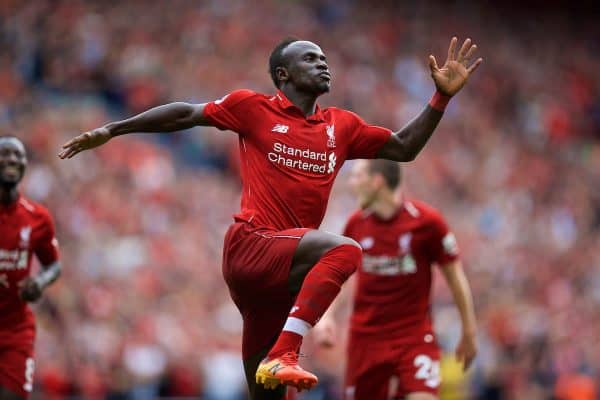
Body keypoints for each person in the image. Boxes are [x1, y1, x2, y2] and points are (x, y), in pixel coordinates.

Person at [58, 36, 482, 398]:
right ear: (283, 74)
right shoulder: (253, 108)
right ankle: (286, 350)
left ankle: (279, 355)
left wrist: (440, 97)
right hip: (252, 246)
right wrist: (114, 130)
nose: (323, 63)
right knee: (346, 251)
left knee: (267, 394)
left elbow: (404, 147)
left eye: (324, 58)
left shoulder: (342, 126)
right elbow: (186, 113)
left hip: (283, 278)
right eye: (311, 58)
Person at [314, 159, 477, 400]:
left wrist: (469, 330)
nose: (352, 184)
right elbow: (343, 277)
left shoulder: (427, 223)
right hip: (366, 339)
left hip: (414, 337)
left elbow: (455, 277)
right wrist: (326, 317)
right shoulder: (356, 225)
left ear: (377, 182)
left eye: (357, 177)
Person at [0, 136, 62, 400]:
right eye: (6, 154)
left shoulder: (37, 217)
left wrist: (40, 282)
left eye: (19, 155)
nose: (13, 159)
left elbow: (54, 265)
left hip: (15, 330)